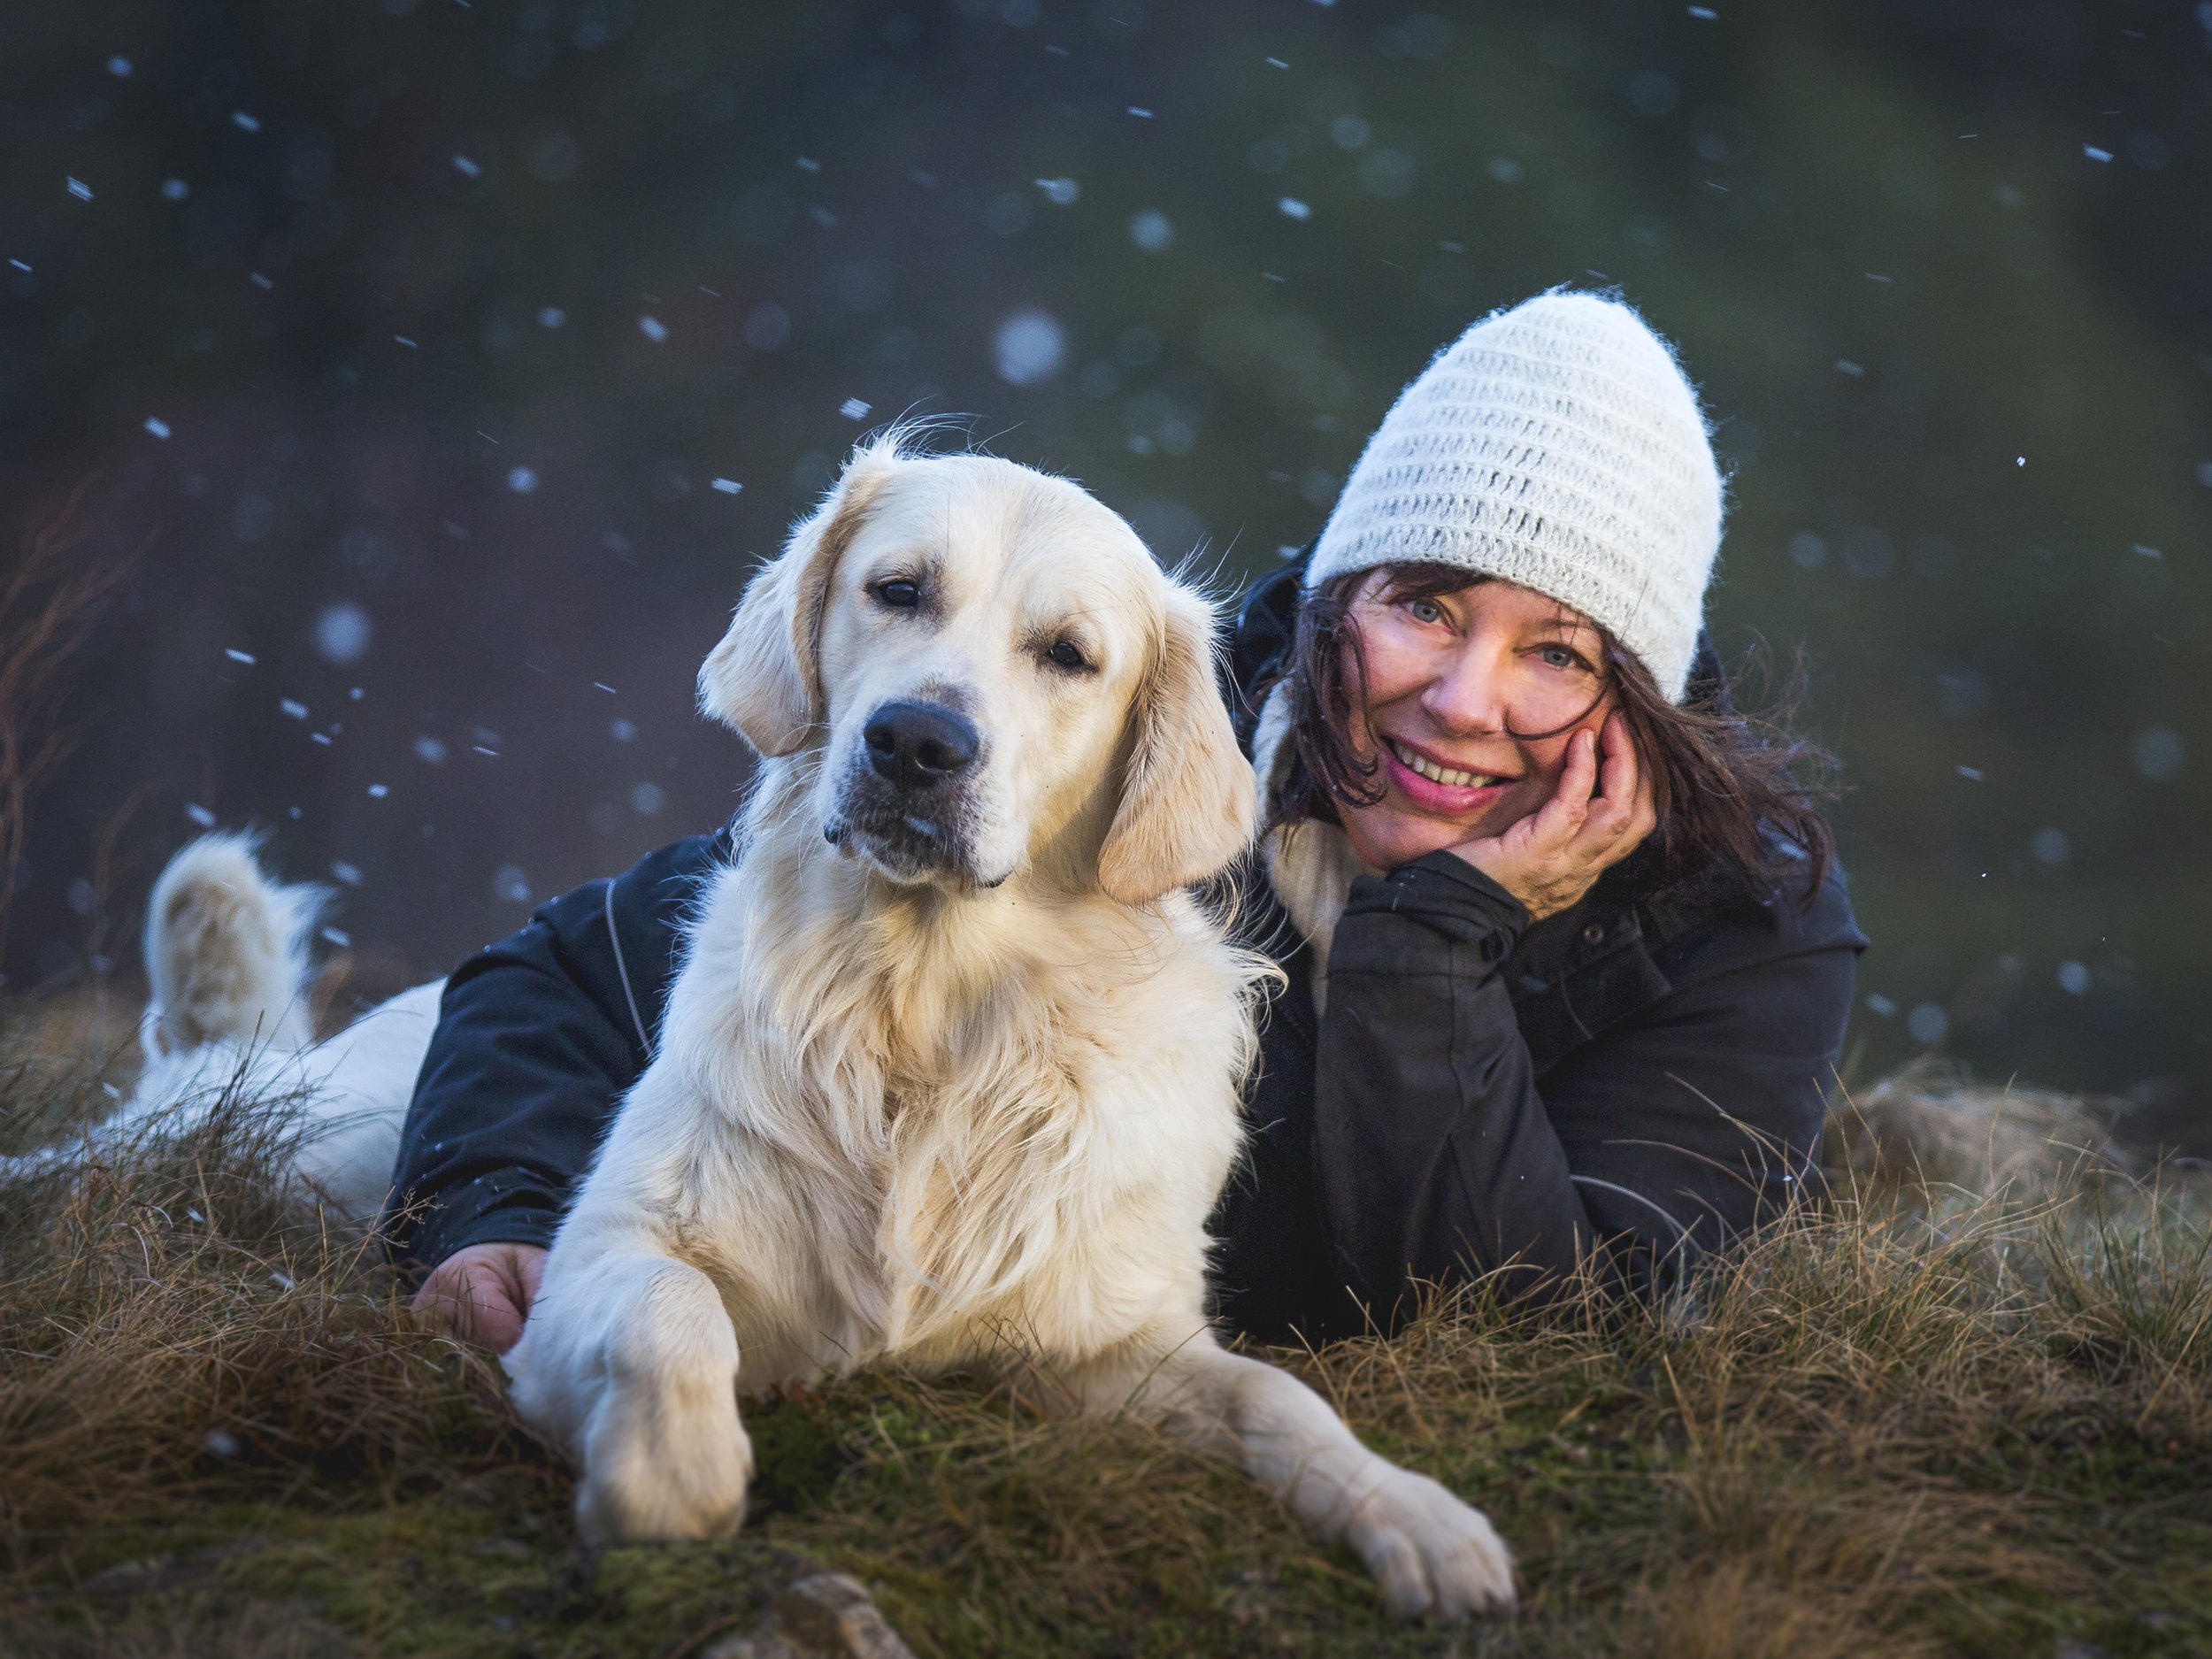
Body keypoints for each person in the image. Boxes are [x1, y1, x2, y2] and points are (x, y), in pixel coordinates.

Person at [392, 290, 1865, 1353]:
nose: (1463, 701)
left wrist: (1439, 946)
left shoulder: (1740, 925)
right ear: (1340, 590)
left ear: (1641, 695)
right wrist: (493, 1204)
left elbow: (1550, 1338)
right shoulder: (1134, 739)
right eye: (1425, 606)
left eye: (1558, 652)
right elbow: (572, 976)